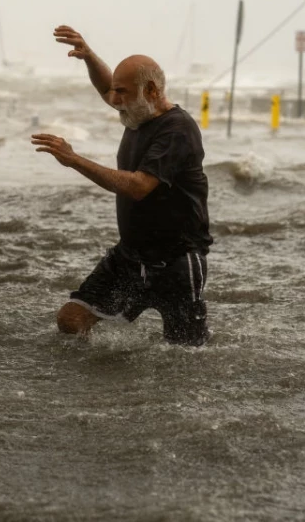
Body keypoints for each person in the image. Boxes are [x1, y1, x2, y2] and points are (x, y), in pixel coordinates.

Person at [31, 25, 213, 346]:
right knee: (72, 319)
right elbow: (107, 88)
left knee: (186, 354)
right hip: (129, 257)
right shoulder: (136, 112)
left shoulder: (177, 129)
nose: (115, 100)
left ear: (153, 91)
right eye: (116, 92)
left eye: (123, 93)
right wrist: (88, 57)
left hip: (176, 262)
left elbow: (139, 186)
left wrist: (74, 159)